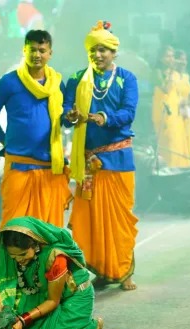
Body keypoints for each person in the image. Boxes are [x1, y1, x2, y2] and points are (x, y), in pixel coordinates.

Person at [64, 20, 139, 291]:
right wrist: (70, 115)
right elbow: (65, 109)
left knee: (119, 219)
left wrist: (104, 118)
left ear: (113, 52)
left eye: (103, 50)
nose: (97, 55)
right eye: (93, 50)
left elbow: (128, 112)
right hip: (87, 162)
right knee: (93, 222)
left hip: (118, 158)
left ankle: (123, 270)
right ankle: (103, 271)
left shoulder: (126, 78)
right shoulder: (76, 79)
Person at [0, 30, 70, 229]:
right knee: (15, 226)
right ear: (24, 50)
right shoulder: (9, 81)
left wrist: (71, 117)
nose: (37, 54)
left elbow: (65, 118)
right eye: (32, 50)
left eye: (42, 50)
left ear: (50, 53)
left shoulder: (57, 83)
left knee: (49, 229)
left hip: (50, 166)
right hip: (19, 164)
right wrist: (5, 141)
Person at [0, 216, 100, 329]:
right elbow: (14, 285)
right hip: (42, 293)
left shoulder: (54, 257)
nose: (19, 260)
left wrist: (23, 319)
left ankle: (91, 328)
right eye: (13, 256)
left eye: (23, 254)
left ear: (34, 243)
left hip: (73, 296)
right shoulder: (17, 257)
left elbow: (53, 301)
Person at [152, 46, 190, 168]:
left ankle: (180, 166)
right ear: (160, 58)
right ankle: (168, 167)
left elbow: (180, 91)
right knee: (169, 139)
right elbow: (166, 89)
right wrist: (171, 73)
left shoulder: (174, 73)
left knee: (178, 139)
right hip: (163, 109)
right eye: (167, 56)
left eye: (172, 56)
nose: (171, 59)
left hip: (175, 110)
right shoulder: (157, 72)